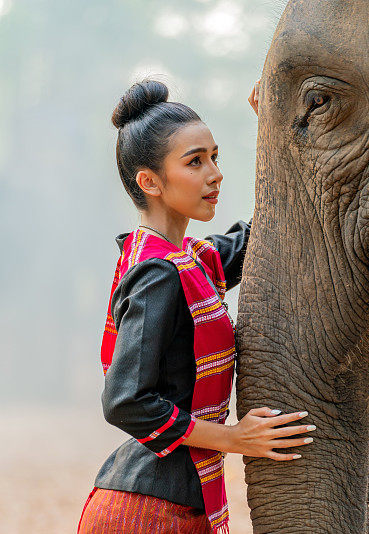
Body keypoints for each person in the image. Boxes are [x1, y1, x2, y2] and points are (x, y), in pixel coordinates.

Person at [77, 79, 315, 534]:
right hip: (144, 515)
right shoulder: (159, 275)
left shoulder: (193, 262)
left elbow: (264, 230)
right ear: (150, 182)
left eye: (214, 157)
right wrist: (233, 438)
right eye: (195, 161)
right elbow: (125, 401)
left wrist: (279, 125)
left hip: (172, 507)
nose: (215, 173)